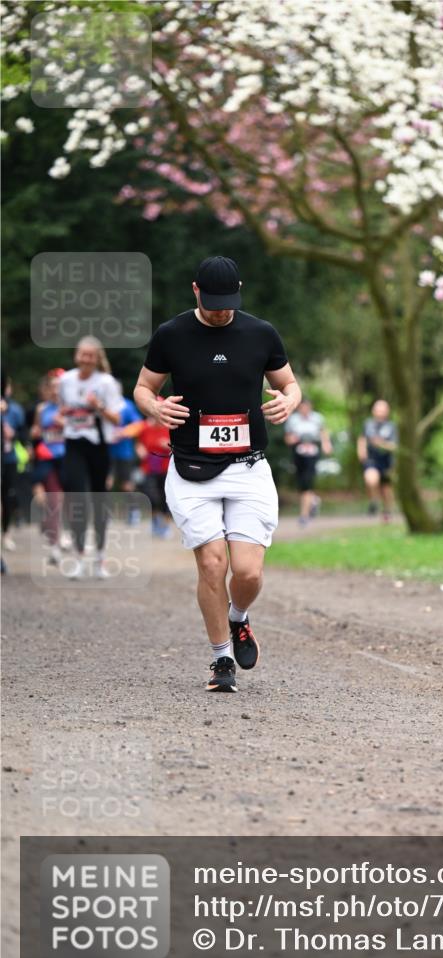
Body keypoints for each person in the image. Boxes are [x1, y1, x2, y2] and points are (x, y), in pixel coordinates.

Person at [133, 255, 301, 693]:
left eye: (228, 302)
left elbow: (290, 384)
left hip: (248, 467)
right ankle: (220, 659)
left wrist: (290, 401)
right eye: (212, 303)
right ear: (195, 291)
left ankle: (238, 618)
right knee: (212, 564)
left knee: (247, 573)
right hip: (190, 469)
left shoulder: (261, 333)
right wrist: (155, 407)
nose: (221, 310)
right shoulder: (171, 335)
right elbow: (143, 388)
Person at [59, 336, 123, 578]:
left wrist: (98, 407)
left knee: (98, 501)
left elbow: (117, 419)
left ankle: (99, 558)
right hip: (74, 443)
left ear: (97, 358)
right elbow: (62, 410)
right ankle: (78, 557)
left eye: (90, 355)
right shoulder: (65, 380)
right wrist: (63, 414)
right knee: (76, 498)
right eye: (82, 354)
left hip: (98, 445)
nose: (85, 359)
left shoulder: (106, 383)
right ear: (76, 355)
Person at [30, 371, 66, 564]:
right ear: (47, 390)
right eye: (52, 387)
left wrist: (65, 424)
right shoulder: (42, 409)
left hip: (67, 459)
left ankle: (52, 528)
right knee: (54, 500)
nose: (55, 391)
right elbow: (35, 432)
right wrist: (35, 433)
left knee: (64, 501)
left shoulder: (69, 408)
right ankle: (55, 546)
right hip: (47, 459)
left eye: (58, 387)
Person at [284, 397, 332, 526]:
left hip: (313, 453)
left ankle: (303, 516)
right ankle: (314, 500)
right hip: (298, 453)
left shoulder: (317, 418)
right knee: (301, 482)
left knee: (307, 481)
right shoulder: (293, 420)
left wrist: (326, 444)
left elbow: (323, 433)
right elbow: (288, 437)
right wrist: (292, 439)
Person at [108, 380, 144, 524]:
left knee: (127, 484)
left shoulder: (127, 405)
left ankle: (133, 511)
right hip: (106, 451)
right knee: (106, 482)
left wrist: (123, 432)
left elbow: (139, 424)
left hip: (124, 452)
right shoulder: (103, 405)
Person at [135, 402, 172, 537]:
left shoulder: (170, 427)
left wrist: (168, 446)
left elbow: (180, 448)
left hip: (165, 468)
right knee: (151, 497)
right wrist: (140, 450)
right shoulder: (145, 428)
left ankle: (166, 526)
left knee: (166, 498)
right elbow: (139, 444)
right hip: (149, 467)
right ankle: (156, 522)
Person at [357, 399, 398, 521]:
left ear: (387, 412)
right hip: (371, 459)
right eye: (378, 410)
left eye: (382, 410)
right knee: (371, 479)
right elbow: (362, 438)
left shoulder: (391, 427)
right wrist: (361, 451)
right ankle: (374, 501)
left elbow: (394, 446)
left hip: (386, 461)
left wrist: (382, 444)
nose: (380, 413)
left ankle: (387, 511)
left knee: (386, 488)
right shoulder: (368, 424)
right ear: (373, 411)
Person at [1, 373, 26, 551]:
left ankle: (6, 533)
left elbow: (24, 435)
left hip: (8, 458)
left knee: (7, 497)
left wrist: (13, 434)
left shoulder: (15, 409)